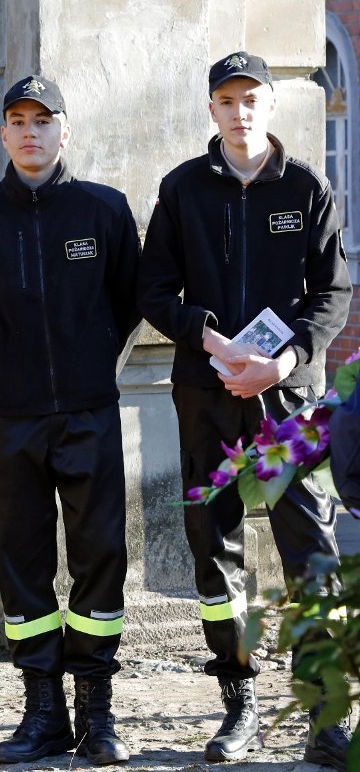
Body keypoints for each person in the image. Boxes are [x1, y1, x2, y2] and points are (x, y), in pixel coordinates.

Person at [138, 51, 353, 770]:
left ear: (269, 105)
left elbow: (332, 293)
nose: (240, 112)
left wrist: (282, 361)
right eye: (227, 101)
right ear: (212, 109)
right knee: (214, 548)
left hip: (288, 401)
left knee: (311, 547)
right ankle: (240, 703)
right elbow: (153, 289)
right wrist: (210, 339)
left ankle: (326, 712)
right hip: (206, 397)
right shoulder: (181, 189)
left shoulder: (308, 187)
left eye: (251, 99)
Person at [0, 75, 141, 766]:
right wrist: (6, 375)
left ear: (65, 129)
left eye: (43, 120)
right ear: (3, 134)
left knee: (100, 558)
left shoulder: (104, 209)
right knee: (22, 561)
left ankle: (97, 710)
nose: (31, 132)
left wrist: (92, 366)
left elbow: (128, 302)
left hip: (89, 413)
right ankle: (43, 712)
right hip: (13, 418)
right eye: (19, 121)